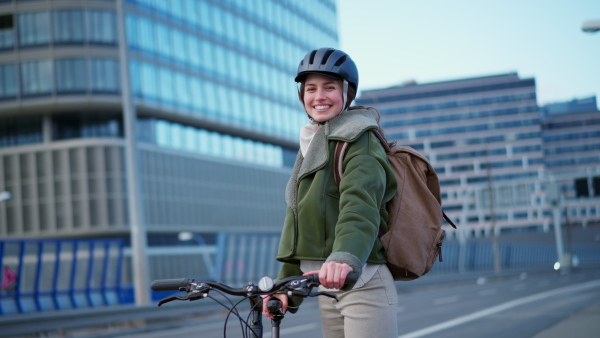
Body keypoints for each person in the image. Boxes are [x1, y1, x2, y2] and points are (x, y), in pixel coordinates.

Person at [262, 48, 399, 337]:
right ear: (302, 96)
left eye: (329, 87)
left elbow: (360, 206)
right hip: (327, 288)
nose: (319, 96)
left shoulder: (360, 140)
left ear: (347, 93)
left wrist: (345, 257)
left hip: (363, 284)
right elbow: (300, 228)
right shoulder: (312, 146)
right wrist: (285, 286)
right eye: (310, 88)